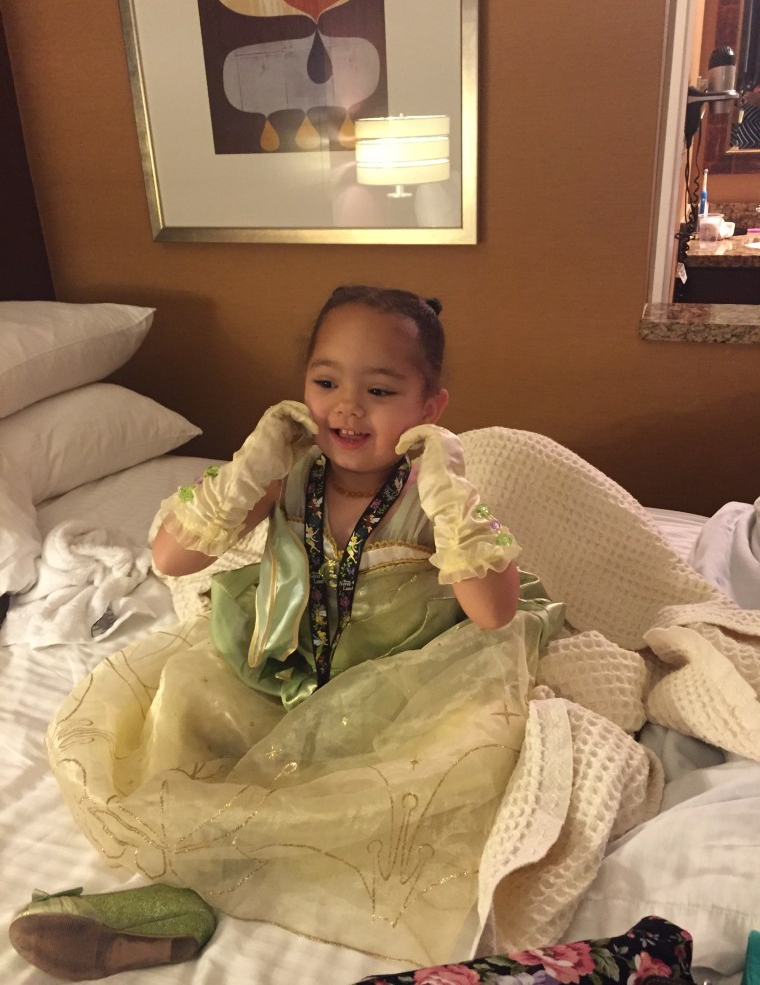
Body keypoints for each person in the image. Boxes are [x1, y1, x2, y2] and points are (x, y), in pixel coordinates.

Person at [38, 286, 566, 976]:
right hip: (282, 666)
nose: (347, 406)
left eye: (380, 390)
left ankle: (237, 878)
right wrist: (249, 469)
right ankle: (174, 900)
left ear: (429, 408)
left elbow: (494, 613)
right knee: (183, 699)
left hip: (398, 681)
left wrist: (449, 498)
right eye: (325, 382)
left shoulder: (430, 496)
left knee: (430, 767)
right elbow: (170, 558)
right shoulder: (287, 475)